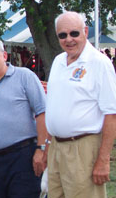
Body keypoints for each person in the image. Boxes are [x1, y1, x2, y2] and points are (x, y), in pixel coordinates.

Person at [45, 11, 116, 198]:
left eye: (74, 33)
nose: (69, 39)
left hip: (83, 148)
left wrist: (103, 160)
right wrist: (47, 145)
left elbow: (112, 114)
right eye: (62, 35)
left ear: (85, 31)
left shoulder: (99, 63)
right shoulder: (59, 61)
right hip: (56, 147)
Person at [0, 37, 47, 198]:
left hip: (23, 157)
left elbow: (42, 113)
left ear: (4, 56)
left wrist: (41, 149)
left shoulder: (25, 76)